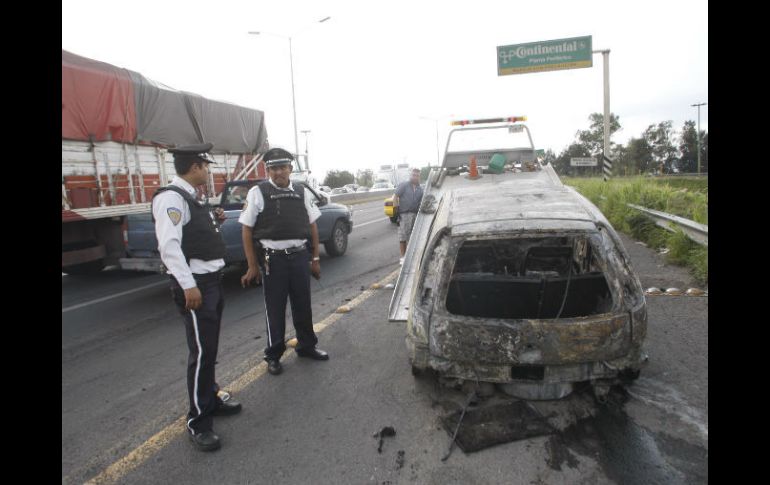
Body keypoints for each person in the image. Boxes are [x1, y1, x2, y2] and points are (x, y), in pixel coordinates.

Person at [152, 142, 242, 452]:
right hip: (198, 286)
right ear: (194, 168)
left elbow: (192, 235)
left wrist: (213, 219)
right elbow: (169, 246)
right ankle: (198, 422)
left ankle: (211, 399)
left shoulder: (192, 199)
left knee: (210, 348)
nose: (207, 170)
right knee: (201, 353)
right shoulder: (171, 199)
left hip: (211, 282)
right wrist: (189, 285)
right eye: (205, 165)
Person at [239, 148, 329, 376]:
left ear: (290, 168)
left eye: (282, 168)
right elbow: (247, 230)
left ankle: (307, 346)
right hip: (273, 261)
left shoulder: (301, 191)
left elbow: (312, 226)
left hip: (299, 257)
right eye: (273, 169)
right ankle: (273, 355)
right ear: (267, 170)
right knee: (275, 309)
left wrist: (315, 258)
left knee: (303, 304)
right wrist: (252, 265)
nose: (278, 172)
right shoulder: (257, 193)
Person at [393, 168, 424, 265]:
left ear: (419, 177)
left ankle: (412, 257)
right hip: (404, 214)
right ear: (410, 175)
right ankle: (403, 257)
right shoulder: (404, 185)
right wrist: (396, 211)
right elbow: (395, 197)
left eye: (417, 175)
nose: (415, 177)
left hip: (415, 215)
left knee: (413, 237)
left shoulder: (420, 189)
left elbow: (422, 202)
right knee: (403, 237)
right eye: (413, 175)